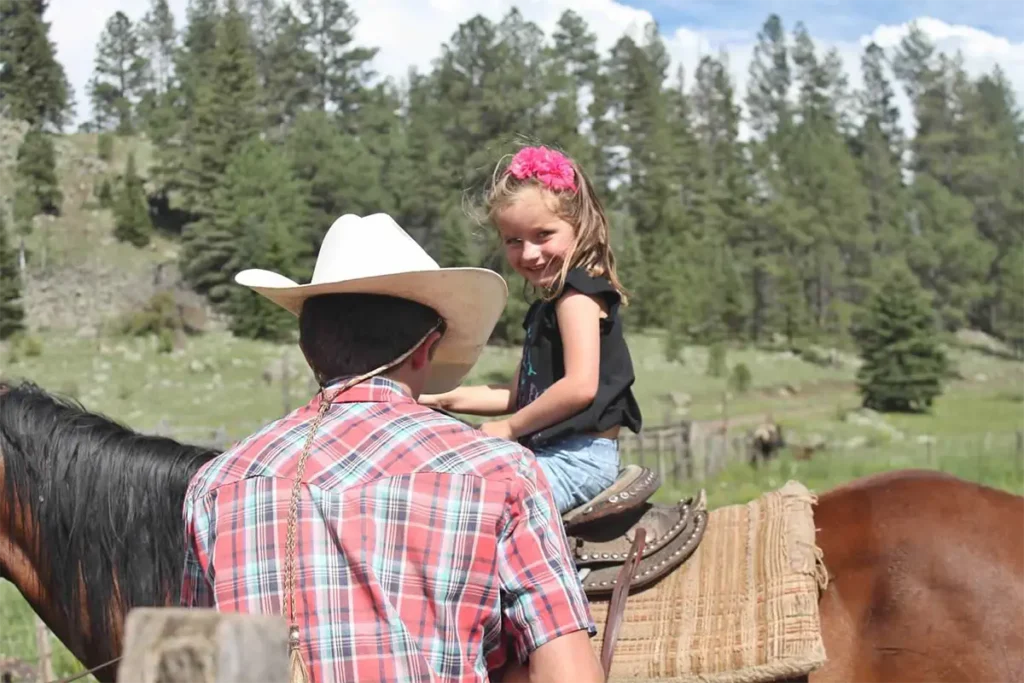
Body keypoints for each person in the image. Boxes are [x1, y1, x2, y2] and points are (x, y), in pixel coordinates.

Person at [179, 213, 605, 683]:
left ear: (308, 348)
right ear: (426, 350)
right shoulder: (498, 472)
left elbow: (196, 670)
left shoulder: (217, 484)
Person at [420, 145, 643, 514]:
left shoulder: (577, 296)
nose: (529, 254)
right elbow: (518, 394)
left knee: (471, 508)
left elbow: (579, 386)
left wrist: (509, 429)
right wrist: (439, 399)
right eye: (514, 240)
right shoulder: (548, 306)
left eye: (543, 235)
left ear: (579, 226)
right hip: (550, 454)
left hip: (578, 461)